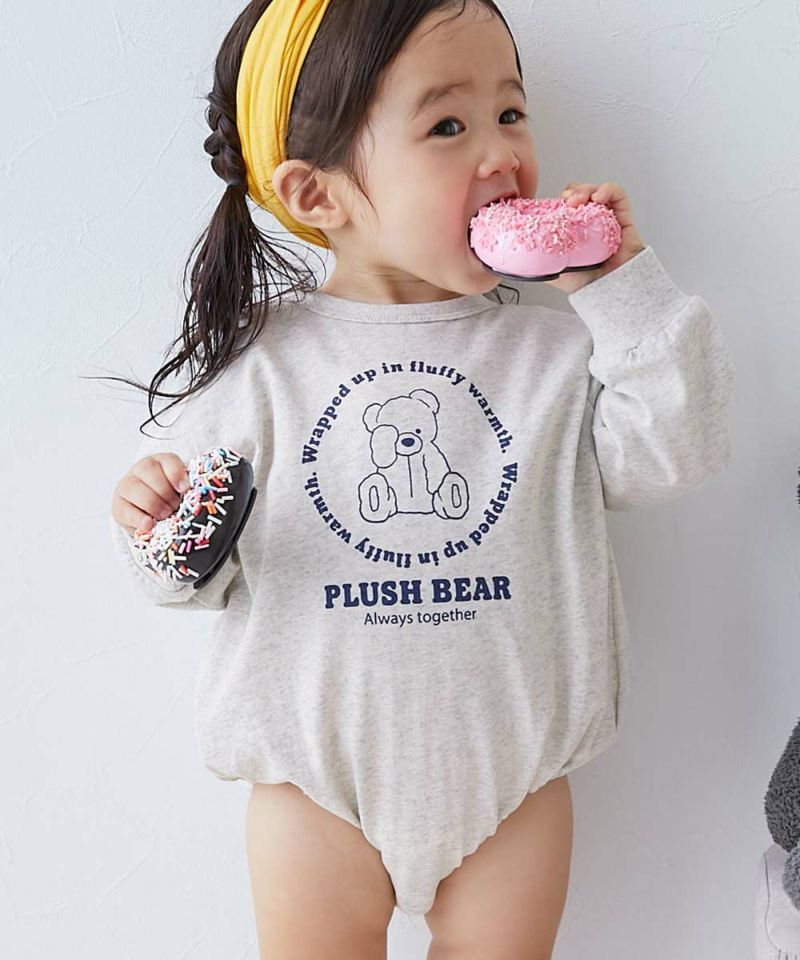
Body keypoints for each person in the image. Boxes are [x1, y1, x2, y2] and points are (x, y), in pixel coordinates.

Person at [107, 1, 736, 957]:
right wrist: (155, 522)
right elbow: (186, 572)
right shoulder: (260, 366)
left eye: (510, 113)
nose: (501, 154)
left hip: (516, 781)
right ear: (318, 194)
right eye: (448, 125)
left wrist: (623, 285)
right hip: (314, 785)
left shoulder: (558, 352)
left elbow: (678, 450)